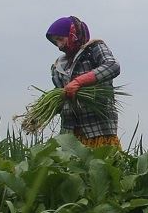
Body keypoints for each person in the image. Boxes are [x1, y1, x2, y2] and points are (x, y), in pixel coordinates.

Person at [45, 16, 122, 148]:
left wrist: (78, 82)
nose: (59, 46)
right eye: (55, 42)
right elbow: (62, 93)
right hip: (71, 134)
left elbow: (112, 66)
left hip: (98, 129)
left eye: (60, 39)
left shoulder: (93, 49)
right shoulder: (58, 66)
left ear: (73, 35)